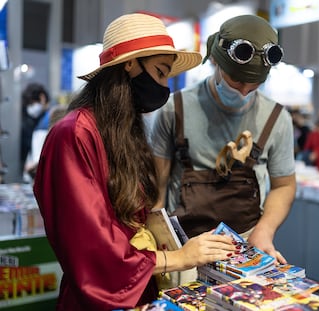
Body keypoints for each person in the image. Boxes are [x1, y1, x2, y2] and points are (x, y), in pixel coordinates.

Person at [33, 13, 237, 310]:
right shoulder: (74, 134)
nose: (164, 86)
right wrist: (177, 258)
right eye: (160, 72)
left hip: (137, 290)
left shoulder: (123, 130)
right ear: (130, 64)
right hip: (101, 298)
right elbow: (90, 245)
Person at [151, 15, 296, 265]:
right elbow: (157, 188)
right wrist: (162, 250)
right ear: (215, 61)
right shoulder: (175, 109)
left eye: (254, 85)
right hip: (184, 247)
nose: (242, 91)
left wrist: (265, 231)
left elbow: (284, 185)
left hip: (246, 247)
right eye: (236, 81)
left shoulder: (277, 119)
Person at [20, 83, 50, 176]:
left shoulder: (48, 120)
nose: (31, 107)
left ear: (42, 99)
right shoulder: (34, 121)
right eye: (29, 104)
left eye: (33, 103)